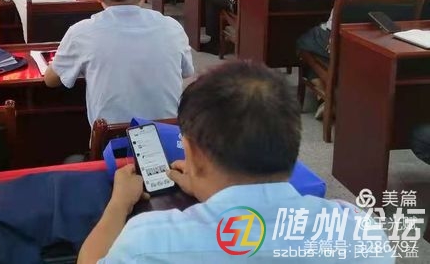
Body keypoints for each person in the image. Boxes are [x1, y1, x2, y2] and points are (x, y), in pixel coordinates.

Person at [78, 61, 391, 264]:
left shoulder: (147, 241)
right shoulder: (360, 231)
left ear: (192, 152)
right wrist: (208, 186)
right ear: (293, 141)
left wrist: (118, 204)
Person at [44, 0, 193, 127]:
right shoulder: (172, 27)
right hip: (168, 134)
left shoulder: (81, 32)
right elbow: (186, 72)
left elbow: (50, 80)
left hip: (112, 138)